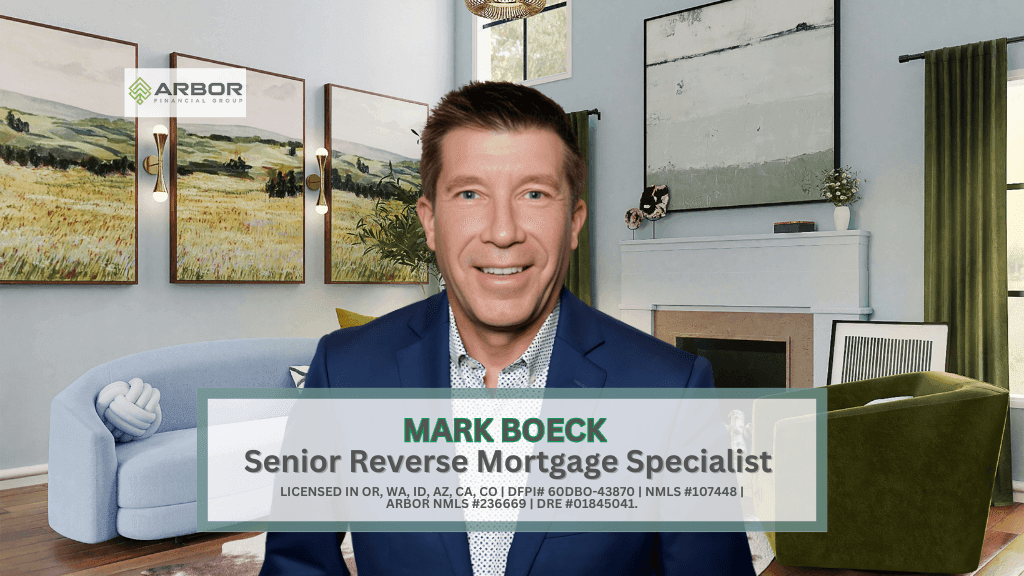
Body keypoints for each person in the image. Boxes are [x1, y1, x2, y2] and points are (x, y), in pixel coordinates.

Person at [259, 81, 755, 575]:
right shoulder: (345, 370)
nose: (502, 232)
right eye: (470, 193)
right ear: (430, 221)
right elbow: (297, 565)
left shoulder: (671, 390)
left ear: (574, 221)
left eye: (534, 194)